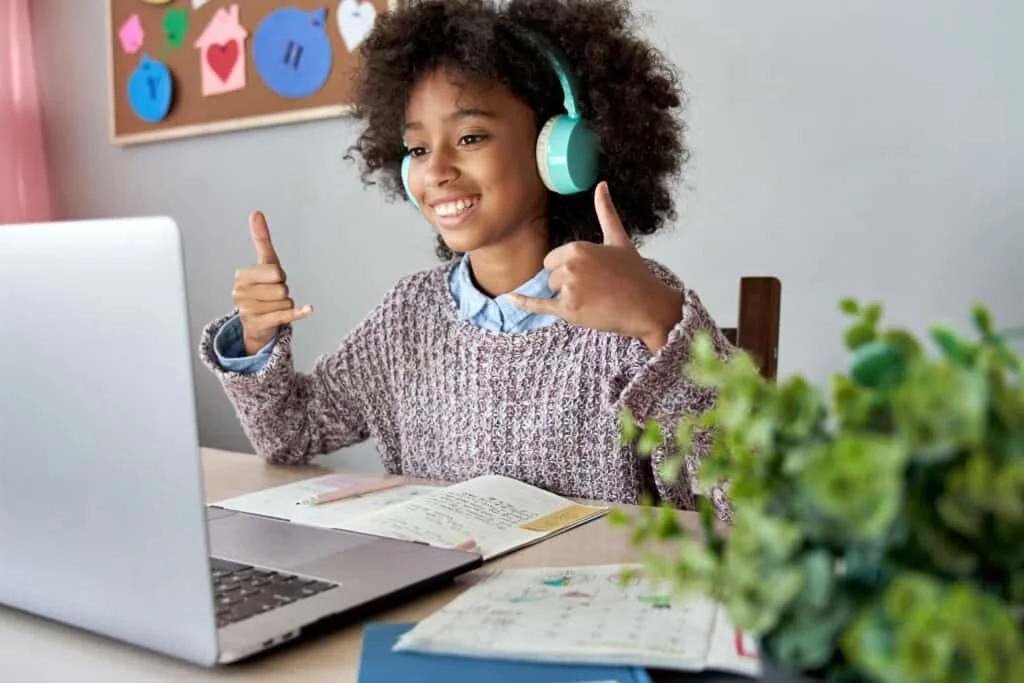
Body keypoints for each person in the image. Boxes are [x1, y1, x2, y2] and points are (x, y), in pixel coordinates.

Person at [198, 0, 735, 521]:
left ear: (559, 150)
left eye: (470, 136)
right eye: (417, 150)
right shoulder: (407, 315)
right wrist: (254, 339)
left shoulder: (634, 303)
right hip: (442, 603)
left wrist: (660, 321)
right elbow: (290, 434)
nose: (436, 171)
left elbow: (750, 497)